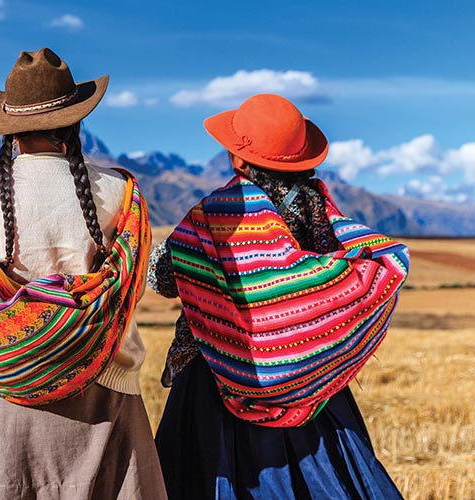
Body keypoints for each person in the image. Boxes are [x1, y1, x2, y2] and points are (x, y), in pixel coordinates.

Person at [0, 48, 166, 500]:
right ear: (75, 122)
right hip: (105, 393)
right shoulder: (120, 193)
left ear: (9, 130)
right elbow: (129, 289)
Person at [149, 93, 410, 499]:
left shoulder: (217, 212)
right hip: (309, 383)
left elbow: (165, 276)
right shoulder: (321, 211)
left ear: (237, 158)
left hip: (215, 377)